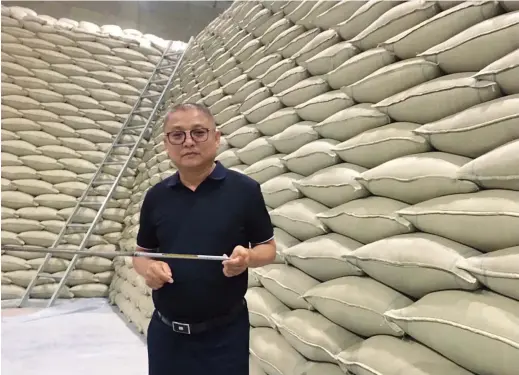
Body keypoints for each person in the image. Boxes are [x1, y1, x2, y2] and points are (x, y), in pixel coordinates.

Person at [133, 102, 277, 375]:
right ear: (167, 143)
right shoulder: (156, 197)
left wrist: (247, 258)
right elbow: (141, 254)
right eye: (177, 135)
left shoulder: (244, 191)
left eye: (198, 132)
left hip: (224, 336)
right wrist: (149, 269)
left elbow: (268, 249)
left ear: (216, 137)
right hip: (167, 336)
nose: (188, 142)